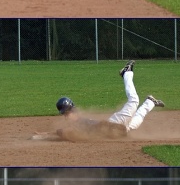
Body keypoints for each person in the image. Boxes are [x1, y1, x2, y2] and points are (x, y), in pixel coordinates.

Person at [32, 60, 164, 142]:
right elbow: (62, 132)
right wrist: (43, 135)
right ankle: (150, 102)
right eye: (66, 114)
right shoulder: (75, 124)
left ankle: (126, 73)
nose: (67, 116)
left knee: (134, 101)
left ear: (72, 110)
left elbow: (62, 132)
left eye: (68, 113)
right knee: (135, 122)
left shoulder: (79, 122)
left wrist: (42, 136)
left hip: (115, 123)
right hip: (116, 130)